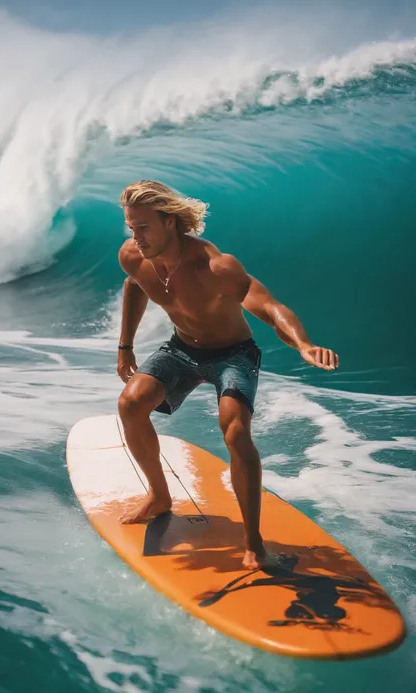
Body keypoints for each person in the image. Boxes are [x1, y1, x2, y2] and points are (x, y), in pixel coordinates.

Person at [117, 180, 338, 570]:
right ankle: (159, 495)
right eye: (131, 227)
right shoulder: (134, 256)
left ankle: (254, 543)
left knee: (235, 431)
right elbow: (135, 286)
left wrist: (303, 344)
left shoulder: (216, 266)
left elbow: (268, 306)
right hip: (182, 349)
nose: (136, 236)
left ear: (169, 222)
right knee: (131, 403)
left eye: (144, 227)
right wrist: (126, 346)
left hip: (232, 355)